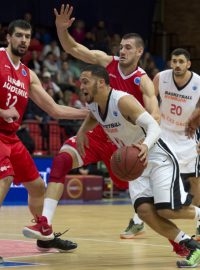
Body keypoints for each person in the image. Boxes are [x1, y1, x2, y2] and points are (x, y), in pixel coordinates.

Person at [22, 3, 186, 256]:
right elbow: (73, 48)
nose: (121, 51)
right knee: (62, 160)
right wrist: (61, 30)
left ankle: (158, 224)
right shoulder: (104, 62)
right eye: (120, 46)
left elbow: (154, 113)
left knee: (136, 194)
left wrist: (148, 141)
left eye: (128, 47)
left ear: (140, 52)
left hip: (123, 144)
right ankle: (45, 224)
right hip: (98, 134)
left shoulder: (141, 80)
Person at [60, 64, 200, 267]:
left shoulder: (122, 101)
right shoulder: (93, 103)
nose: (80, 86)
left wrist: (143, 145)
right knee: (144, 211)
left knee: (167, 210)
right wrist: (82, 132)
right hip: (136, 164)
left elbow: (153, 126)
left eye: (85, 81)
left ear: (101, 83)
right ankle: (190, 245)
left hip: (156, 156)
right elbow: (93, 115)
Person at [0, 19, 88, 252]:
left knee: (38, 187)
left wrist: (89, 113)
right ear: (8, 38)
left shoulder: (28, 75)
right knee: (5, 179)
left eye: (27, 37)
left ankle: (44, 234)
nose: (23, 41)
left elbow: (55, 109)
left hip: (11, 137)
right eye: (18, 35)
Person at [153, 48, 200, 239]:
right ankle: (138, 220)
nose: (177, 65)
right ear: (170, 63)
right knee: (153, 176)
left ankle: (199, 223)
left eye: (181, 61)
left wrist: (196, 116)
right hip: (163, 133)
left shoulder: (198, 82)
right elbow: (148, 100)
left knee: (194, 180)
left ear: (188, 64)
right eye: (174, 61)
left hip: (187, 135)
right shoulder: (160, 78)